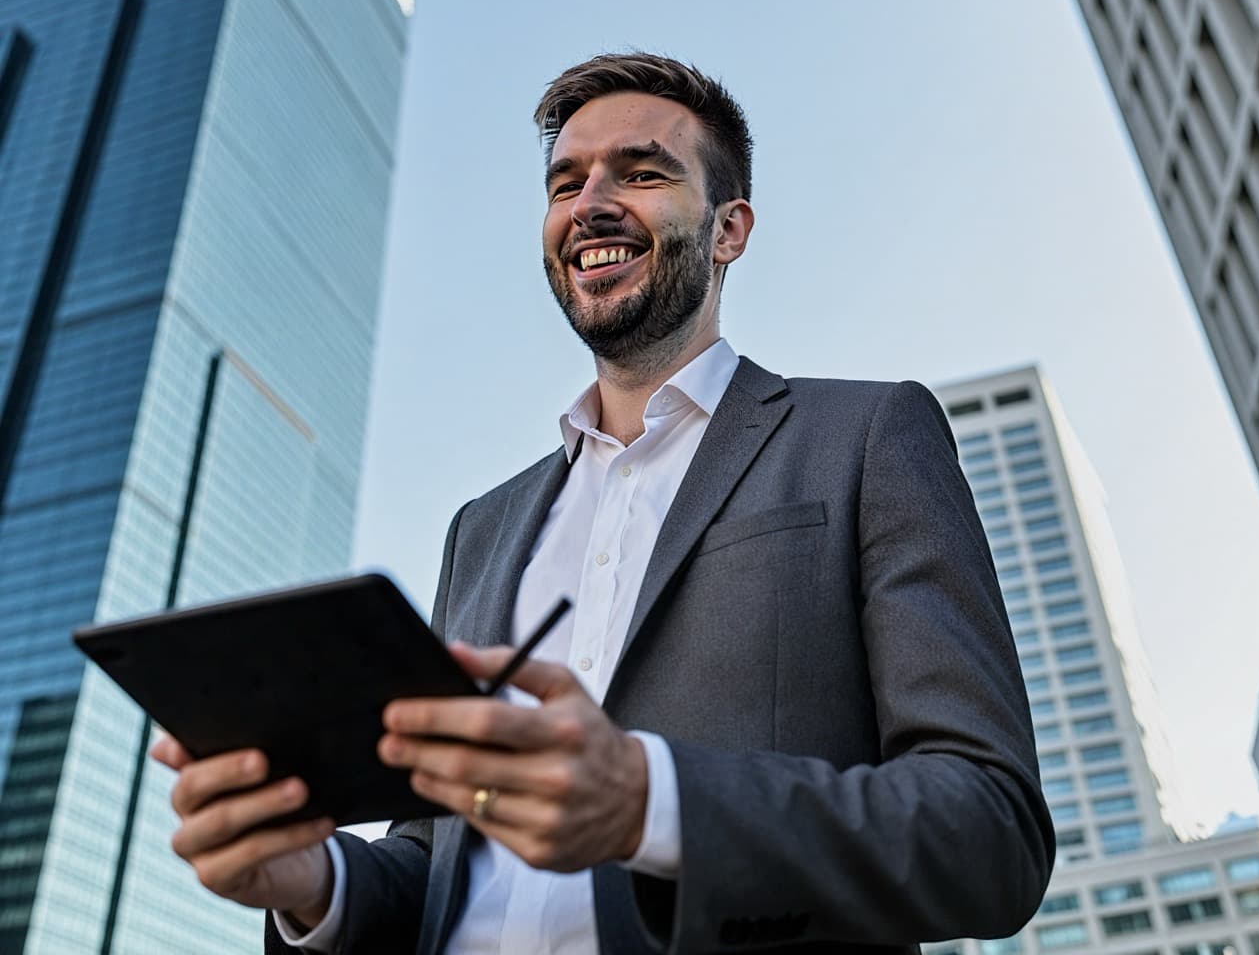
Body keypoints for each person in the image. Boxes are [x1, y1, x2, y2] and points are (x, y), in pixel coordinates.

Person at [154, 53, 1054, 954]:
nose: (589, 204)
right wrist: (315, 884)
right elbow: (434, 861)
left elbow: (989, 831)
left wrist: (651, 803)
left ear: (729, 229)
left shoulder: (865, 436)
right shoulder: (482, 529)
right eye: (565, 183)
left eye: (643, 171)